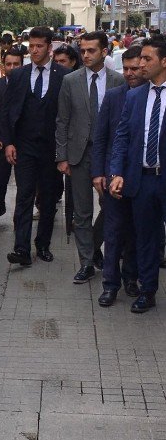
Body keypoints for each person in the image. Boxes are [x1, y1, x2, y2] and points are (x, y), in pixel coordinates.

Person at [56, 31, 125, 283]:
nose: (85, 55)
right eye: (82, 50)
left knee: (111, 206)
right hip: (79, 154)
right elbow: (62, 120)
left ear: (104, 51)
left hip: (109, 155)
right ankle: (86, 262)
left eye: (91, 50)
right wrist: (61, 156)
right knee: (81, 213)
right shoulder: (70, 81)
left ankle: (95, 246)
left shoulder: (119, 81)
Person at [1, 26, 71, 266]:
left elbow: (68, 114)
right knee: (24, 197)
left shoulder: (63, 76)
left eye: (39, 46)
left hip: (52, 148)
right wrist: (9, 142)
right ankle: (21, 249)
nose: (34, 51)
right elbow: (8, 112)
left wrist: (65, 152)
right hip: (25, 146)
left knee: (49, 199)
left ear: (49, 48)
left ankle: (43, 245)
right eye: (31, 46)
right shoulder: (19, 75)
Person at [109, 38, 166, 313]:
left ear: (163, 62)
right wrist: (117, 172)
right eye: (140, 59)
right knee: (145, 238)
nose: (141, 64)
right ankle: (147, 290)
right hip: (143, 179)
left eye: (147, 59)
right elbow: (121, 138)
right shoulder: (135, 96)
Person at [92, 46, 143, 306]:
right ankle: (110, 284)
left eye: (135, 69)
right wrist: (98, 173)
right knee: (112, 233)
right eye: (126, 69)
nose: (130, 73)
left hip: (142, 179)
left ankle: (131, 279)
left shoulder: (153, 97)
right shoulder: (113, 97)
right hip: (113, 177)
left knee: (136, 232)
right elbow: (101, 138)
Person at [0, 48, 23, 226]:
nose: (12, 67)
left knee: (25, 184)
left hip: (23, 143)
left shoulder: (29, 85)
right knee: (0, 181)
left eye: (16, 64)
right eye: (9, 64)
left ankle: (22, 215)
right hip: (1, 142)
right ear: (3, 66)